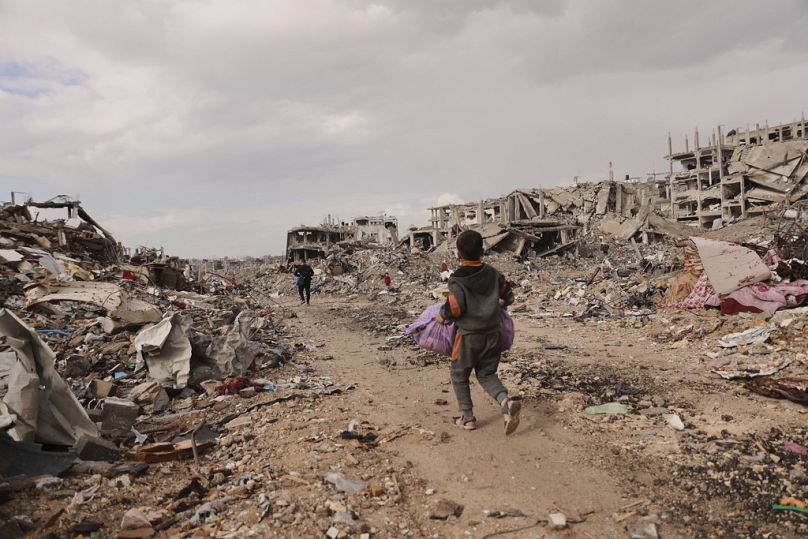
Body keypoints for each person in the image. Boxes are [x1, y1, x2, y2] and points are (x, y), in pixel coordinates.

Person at [435, 230, 520, 435]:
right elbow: (508, 296)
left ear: (458, 254)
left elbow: (455, 307)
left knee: (459, 374)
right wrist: (499, 304)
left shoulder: (457, 279)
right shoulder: (492, 273)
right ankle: (505, 401)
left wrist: (442, 315)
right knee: (487, 373)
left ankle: (468, 418)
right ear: (482, 250)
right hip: (493, 334)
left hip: (468, 337)